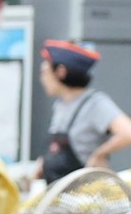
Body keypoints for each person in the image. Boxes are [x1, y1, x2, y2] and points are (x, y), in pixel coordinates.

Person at [41, 41, 131, 179]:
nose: (42, 79)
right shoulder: (60, 105)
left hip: (85, 194)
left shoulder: (95, 104)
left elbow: (127, 133)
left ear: (61, 72)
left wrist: (99, 154)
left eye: (45, 73)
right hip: (59, 192)